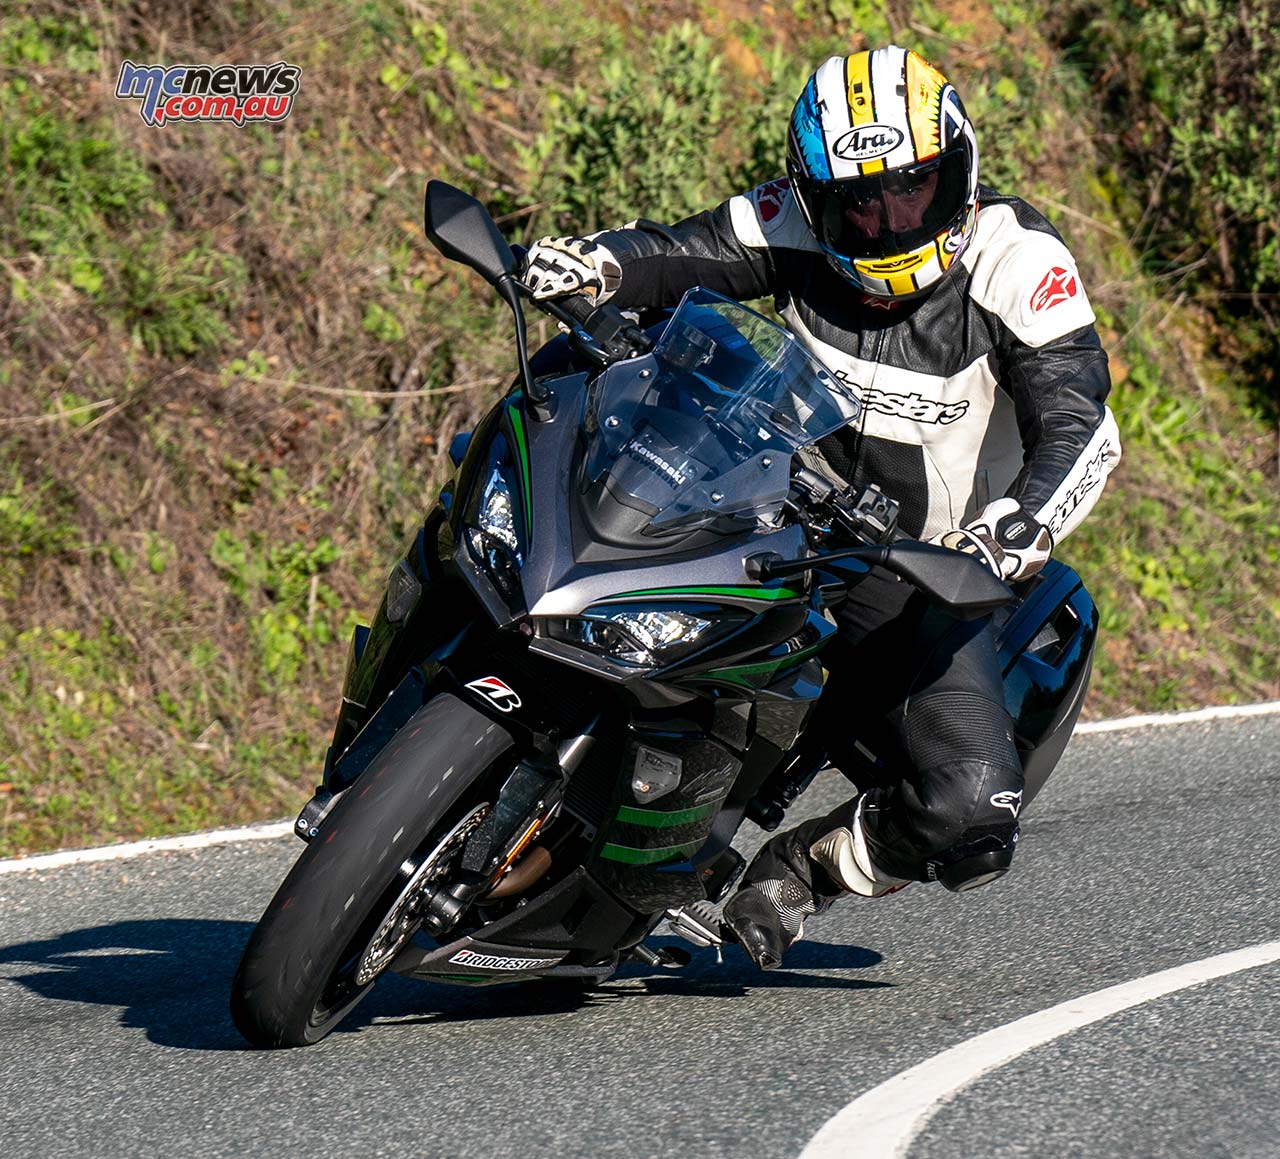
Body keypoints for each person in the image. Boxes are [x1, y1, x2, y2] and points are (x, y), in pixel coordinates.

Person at [521, 45, 1122, 969]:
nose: (889, 220)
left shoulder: (1018, 260)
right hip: (760, 502)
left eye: (913, 190)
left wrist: (1022, 524)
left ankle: (805, 869)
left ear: (960, 167)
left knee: (972, 807)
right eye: (860, 203)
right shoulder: (792, 219)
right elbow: (680, 252)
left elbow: (1081, 420)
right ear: (814, 197)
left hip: (918, 569)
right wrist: (596, 265)